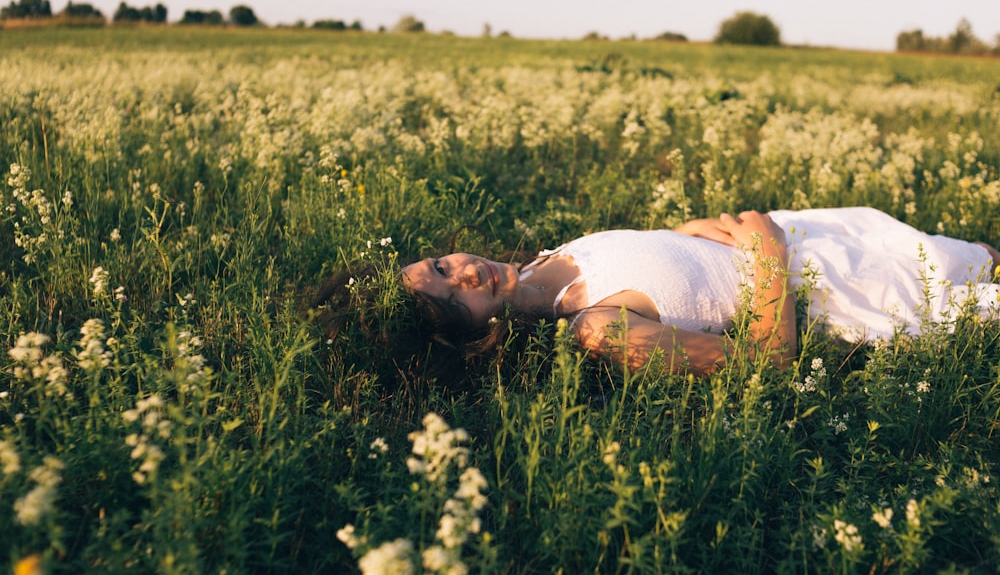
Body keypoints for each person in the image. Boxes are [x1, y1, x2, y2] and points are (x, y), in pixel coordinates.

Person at [395, 207, 1000, 377]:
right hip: (832, 287)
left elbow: (655, 259)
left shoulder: (545, 263)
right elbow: (769, 360)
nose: (466, 273)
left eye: (442, 264)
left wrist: (681, 234)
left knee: (978, 255)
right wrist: (768, 259)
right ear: (472, 333)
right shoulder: (598, 329)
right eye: (455, 297)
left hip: (809, 234)